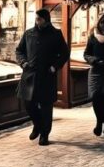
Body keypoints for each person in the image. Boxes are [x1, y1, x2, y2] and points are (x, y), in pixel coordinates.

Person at [16, 8, 68, 146]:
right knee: (28, 104)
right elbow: (19, 50)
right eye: (36, 18)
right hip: (30, 75)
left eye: (39, 19)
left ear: (46, 19)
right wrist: (23, 62)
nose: (37, 21)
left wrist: (54, 67)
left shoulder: (55, 34)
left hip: (46, 75)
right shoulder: (29, 34)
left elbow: (64, 53)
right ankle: (37, 125)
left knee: (46, 106)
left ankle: (44, 134)